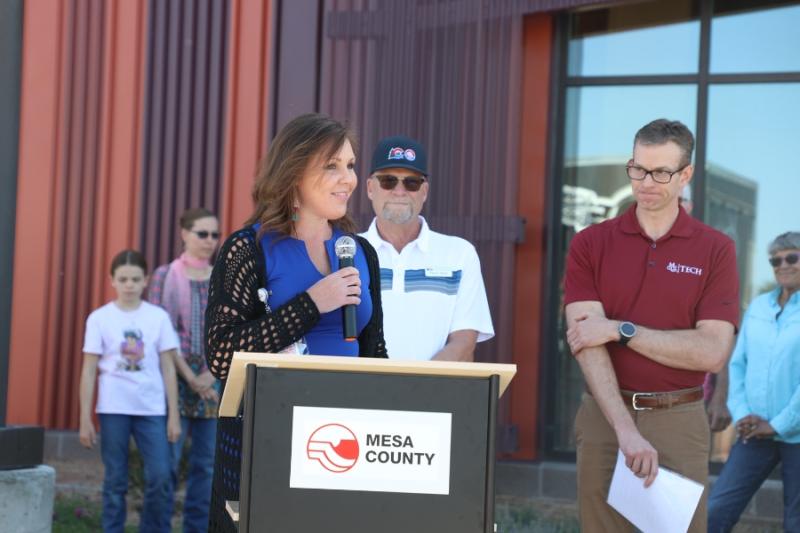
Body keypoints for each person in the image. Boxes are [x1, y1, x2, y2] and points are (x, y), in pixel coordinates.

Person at [204, 113, 388, 533]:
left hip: (346, 441)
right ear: (294, 172)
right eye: (332, 166)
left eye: (351, 165)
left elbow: (374, 352)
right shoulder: (247, 248)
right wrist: (311, 303)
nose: (350, 179)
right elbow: (220, 355)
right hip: (270, 440)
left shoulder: (359, 251)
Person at [563, 119, 739, 532]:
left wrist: (621, 330)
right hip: (604, 416)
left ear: (686, 175)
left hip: (679, 417)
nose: (646, 182)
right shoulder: (590, 243)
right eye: (638, 169)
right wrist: (625, 430)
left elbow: (712, 351)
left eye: (661, 172)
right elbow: (586, 340)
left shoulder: (716, 249)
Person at [360, 135, 494, 361]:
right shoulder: (346, 251)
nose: (399, 191)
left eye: (411, 182)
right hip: (361, 394)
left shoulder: (459, 254)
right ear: (370, 188)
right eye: (388, 181)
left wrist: (420, 390)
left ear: (424, 191)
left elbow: (464, 342)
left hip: (432, 393)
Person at [78, 249, 181, 533]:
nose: (129, 285)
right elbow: (88, 370)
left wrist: (173, 414)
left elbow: (168, 367)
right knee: (115, 480)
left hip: (151, 409)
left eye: (135, 279)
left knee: (161, 475)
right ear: (112, 280)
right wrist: (84, 419)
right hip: (113, 409)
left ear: (145, 280)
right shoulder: (99, 319)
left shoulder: (157, 317)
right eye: (122, 279)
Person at [708, 231, 800, 532]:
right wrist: (743, 413)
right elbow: (738, 364)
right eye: (775, 260)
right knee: (716, 510)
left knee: (795, 521)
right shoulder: (760, 307)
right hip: (755, 430)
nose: (782, 265)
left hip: (795, 435)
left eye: (792, 257)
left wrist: (777, 425)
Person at [148, 208, 220, 533]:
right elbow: (159, 331)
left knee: (205, 467)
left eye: (215, 235)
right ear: (184, 234)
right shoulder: (165, 275)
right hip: (172, 377)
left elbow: (228, 330)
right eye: (202, 234)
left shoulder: (222, 276)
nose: (209, 241)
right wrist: (189, 376)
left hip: (212, 378)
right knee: (167, 465)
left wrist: (210, 374)